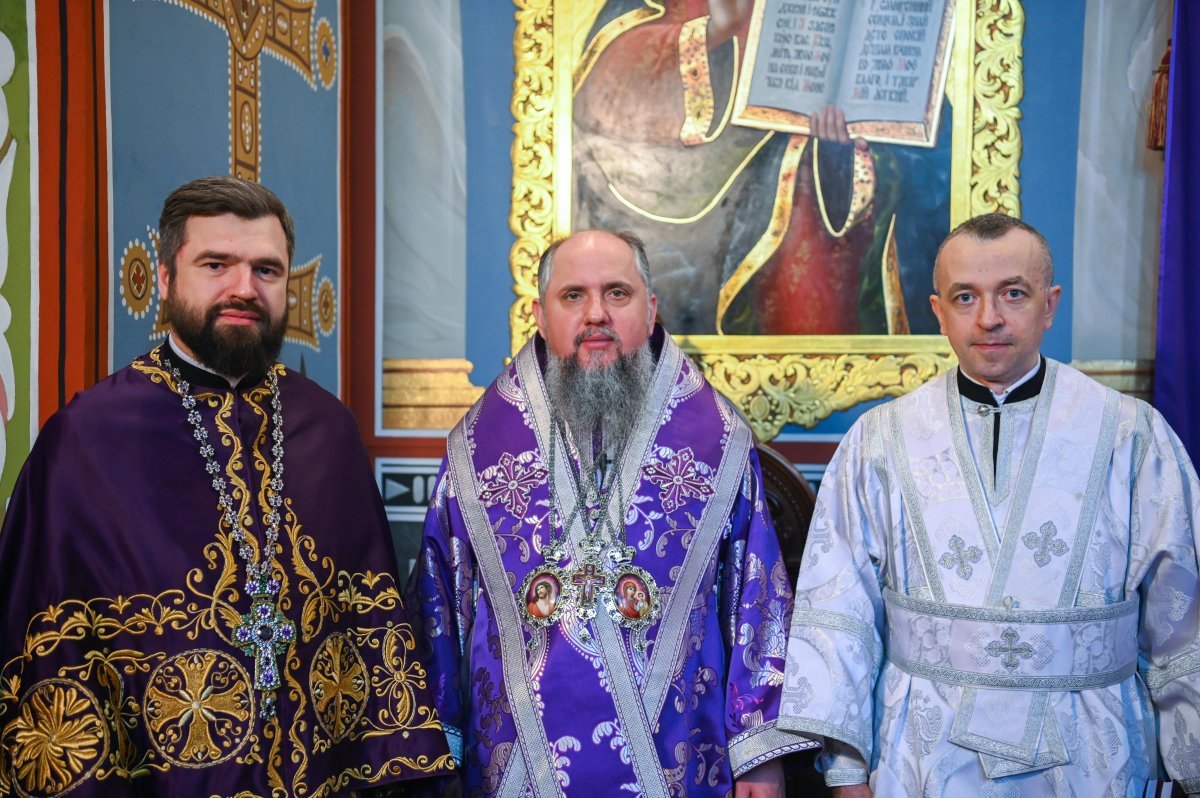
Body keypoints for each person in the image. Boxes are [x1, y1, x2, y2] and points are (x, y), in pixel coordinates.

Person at [0, 177, 452, 796]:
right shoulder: (85, 440)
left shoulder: (329, 432)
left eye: (267, 269)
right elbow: (47, 655)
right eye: (216, 265)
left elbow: (370, 642)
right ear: (166, 279)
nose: (244, 287)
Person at [778, 213, 1200, 796]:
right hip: (923, 754)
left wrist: (1190, 766)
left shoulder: (1129, 435)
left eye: (1013, 294)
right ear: (938, 312)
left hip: (1092, 754)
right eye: (965, 297)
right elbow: (840, 612)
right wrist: (847, 770)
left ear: (1049, 304)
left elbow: (1182, 617)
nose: (989, 318)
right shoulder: (880, 441)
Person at [408, 229, 811, 796]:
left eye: (617, 293)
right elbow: (439, 613)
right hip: (514, 773)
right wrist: (433, 758)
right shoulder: (477, 452)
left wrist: (758, 754)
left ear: (651, 310)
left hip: (677, 768)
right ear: (540, 316)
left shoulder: (718, 445)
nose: (595, 313)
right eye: (573, 295)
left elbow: (755, 602)